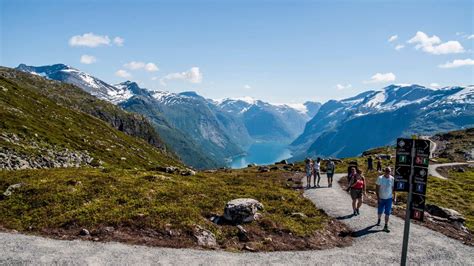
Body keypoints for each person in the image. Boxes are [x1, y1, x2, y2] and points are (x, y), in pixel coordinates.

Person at [376, 167, 395, 232]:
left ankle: (386, 225)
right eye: (387, 171)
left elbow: (393, 189)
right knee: (380, 211)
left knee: (387, 212)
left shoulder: (392, 179)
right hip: (381, 198)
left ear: (390, 172)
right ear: (385, 171)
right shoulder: (380, 178)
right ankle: (379, 219)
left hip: (389, 198)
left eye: (389, 171)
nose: (388, 172)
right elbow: (377, 189)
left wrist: (394, 197)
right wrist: (378, 198)